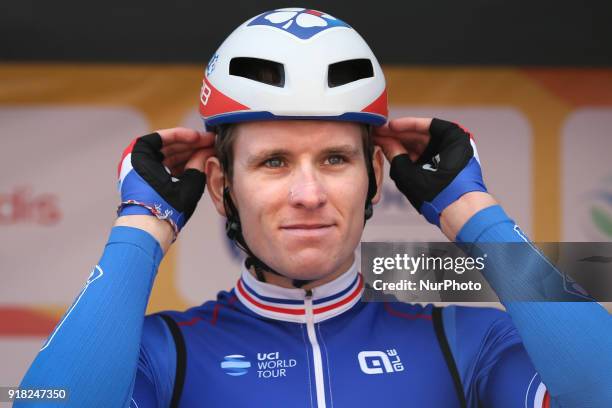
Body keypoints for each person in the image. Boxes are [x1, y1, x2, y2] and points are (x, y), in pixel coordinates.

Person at [18, 7, 612, 408]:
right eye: (273, 162)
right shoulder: (162, 354)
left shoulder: (465, 339)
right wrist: (141, 228)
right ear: (223, 187)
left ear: (374, 178)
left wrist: (473, 211)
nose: (308, 193)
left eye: (334, 160)